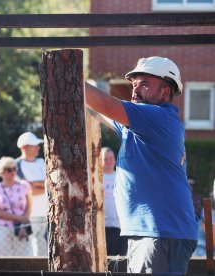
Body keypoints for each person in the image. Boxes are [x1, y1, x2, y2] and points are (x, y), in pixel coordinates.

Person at [85, 56, 198, 274]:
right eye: (134, 84)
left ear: (166, 92)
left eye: (144, 84)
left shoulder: (158, 117)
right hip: (154, 232)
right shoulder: (137, 126)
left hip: (160, 232)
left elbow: (107, 105)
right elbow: (100, 111)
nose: (135, 91)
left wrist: (69, 76)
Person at [0, 156, 32, 256]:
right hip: (1, 227)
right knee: (2, 257)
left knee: (22, 257)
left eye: (15, 169)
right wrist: (19, 218)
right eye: (9, 170)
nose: (13, 172)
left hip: (21, 227)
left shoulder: (24, 185)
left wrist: (23, 224)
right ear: (1, 172)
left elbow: (29, 207)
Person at [15, 132, 48, 256]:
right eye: (35, 145)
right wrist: (43, 185)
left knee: (44, 248)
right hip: (28, 215)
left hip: (47, 212)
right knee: (28, 248)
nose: (38, 147)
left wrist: (35, 184)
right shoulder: (16, 164)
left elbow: (51, 184)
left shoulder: (41, 162)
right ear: (24, 147)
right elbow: (27, 190)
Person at [101, 147, 127, 256]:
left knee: (119, 261)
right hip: (102, 226)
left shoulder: (122, 177)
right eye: (105, 159)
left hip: (120, 226)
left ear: (115, 160)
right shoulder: (96, 178)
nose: (108, 161)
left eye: (111, 158)